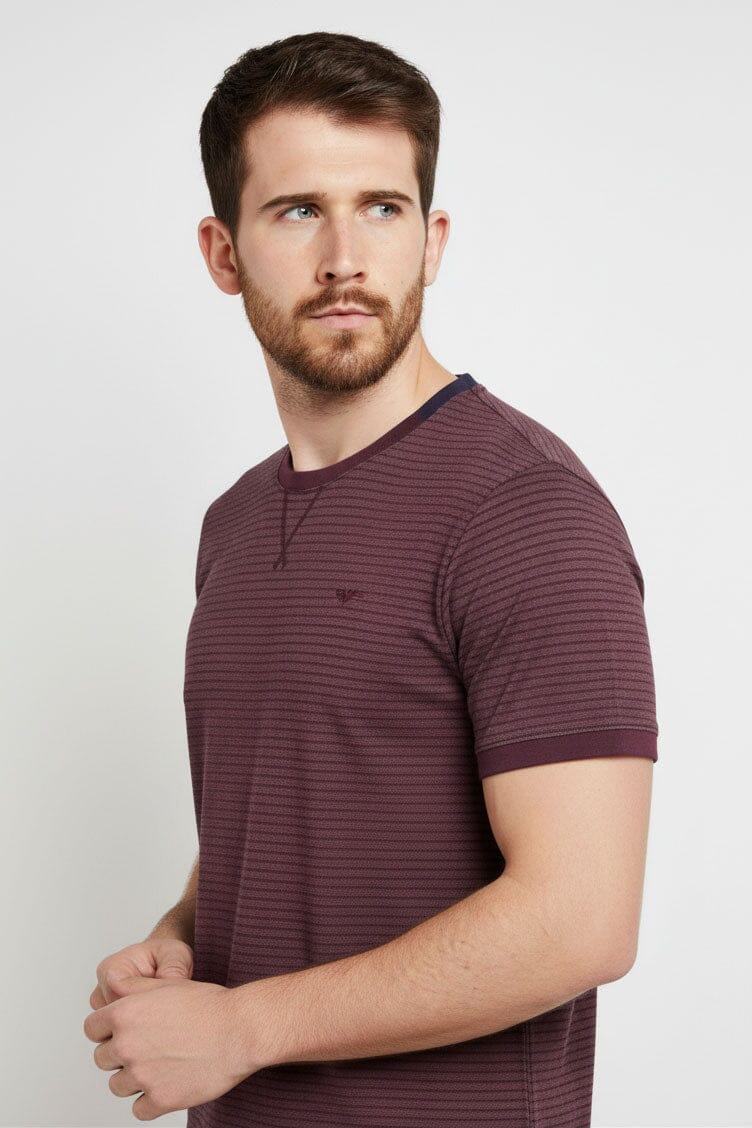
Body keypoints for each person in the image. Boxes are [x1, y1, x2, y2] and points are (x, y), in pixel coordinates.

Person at [84, 30, 659, 1127]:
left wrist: (247, 1028)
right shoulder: (234, 523)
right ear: (222, 252)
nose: (345, 256)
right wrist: (181, 940)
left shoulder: (526, 512)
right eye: (298, 210)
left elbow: (582, 920)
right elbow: (287, 803)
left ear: (431, 241)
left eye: (382, 208)